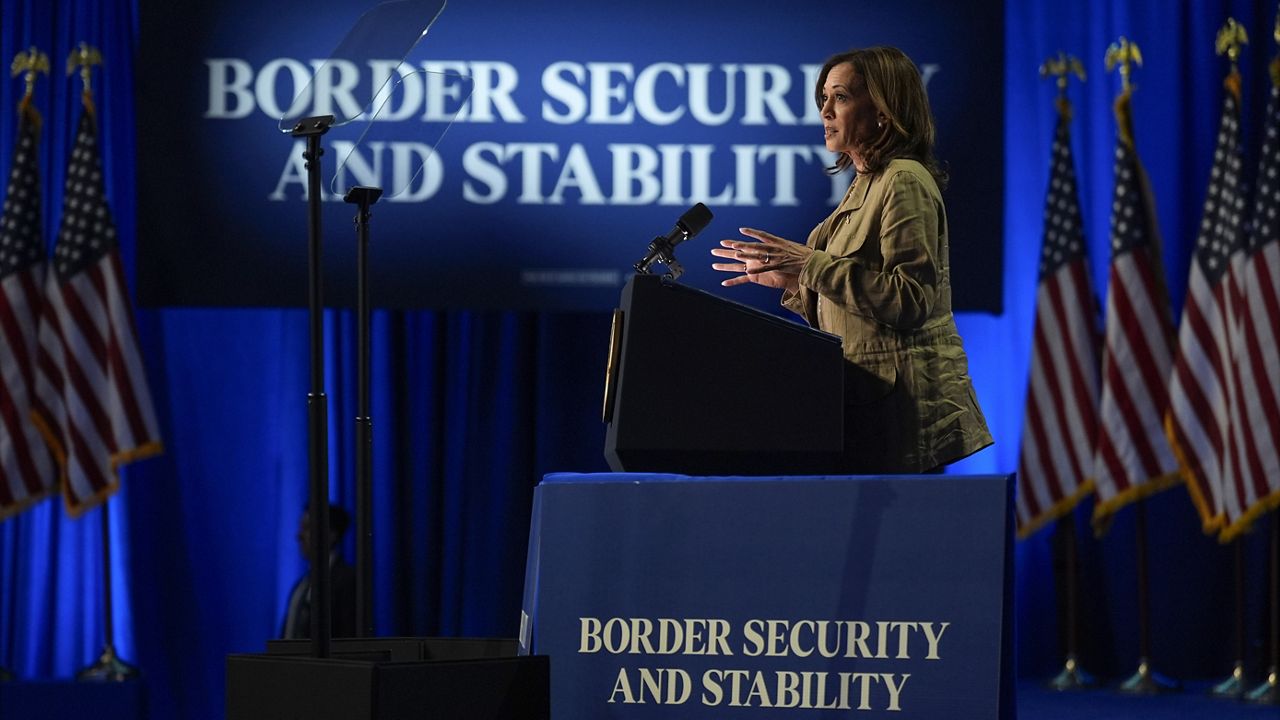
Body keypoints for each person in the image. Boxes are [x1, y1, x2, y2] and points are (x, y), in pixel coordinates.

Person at [711, 46, 992, 474]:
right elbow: (856, 310)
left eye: (839, 97)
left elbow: (910, 301)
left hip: (904, 419)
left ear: (882, 109)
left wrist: (811, 265)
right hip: (869, 409)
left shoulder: (902, 182)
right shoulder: (867, 182)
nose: (825, 111)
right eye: (823, 98)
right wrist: (791, 282)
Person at [280, 503, 356, 639]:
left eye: (307, 528)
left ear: (331, 534)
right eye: (301, 528)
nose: (299, 535)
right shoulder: (301, 585)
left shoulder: (347, 581)